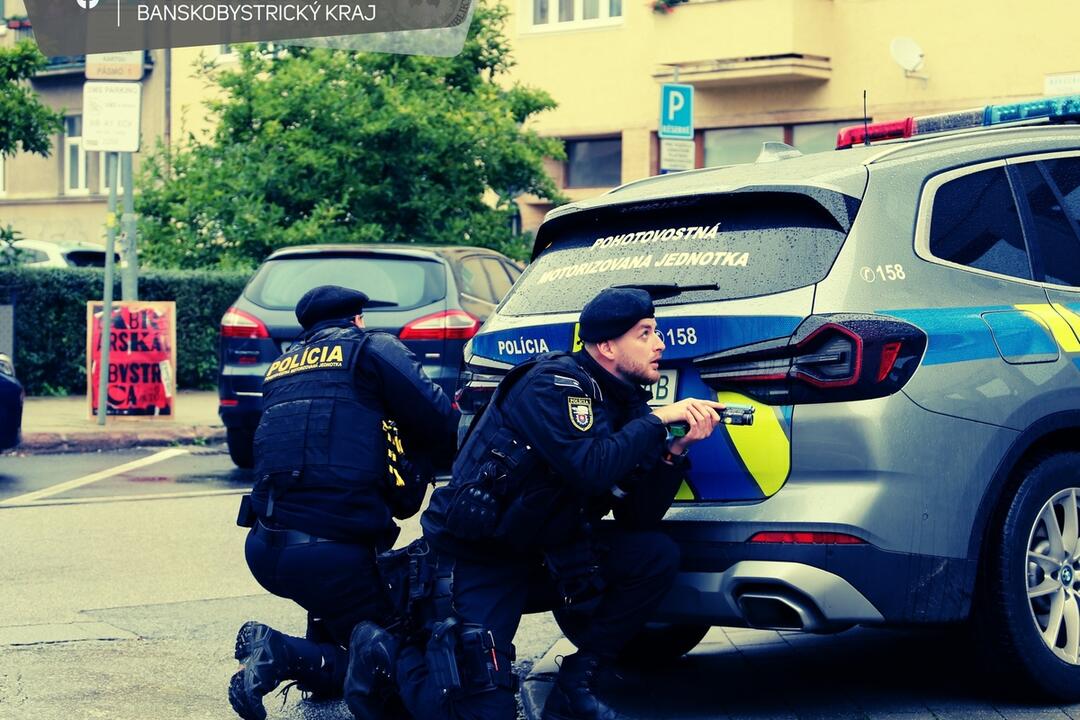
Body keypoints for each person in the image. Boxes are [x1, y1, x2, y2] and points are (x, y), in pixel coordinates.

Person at [346, 286, 724, 720]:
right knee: (479, 712)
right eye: (645, 334)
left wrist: (674, 452)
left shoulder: (628, 405)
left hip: (548, 548)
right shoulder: (554, 384)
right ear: (605, 346)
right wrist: (660, 420)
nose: (660, 345)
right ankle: (385, 654)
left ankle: (577, 683)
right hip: (481, 556)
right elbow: (590, 468)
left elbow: (636, 514)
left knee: (652, 555)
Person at [228, 285, 459, 720]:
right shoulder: (370, 347)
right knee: (396, 661)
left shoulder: (281, 367)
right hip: (332, 553)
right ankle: (276, 647)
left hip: (265, 547)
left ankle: (282, 654)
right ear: (357, 319)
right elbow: (441, 419)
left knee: (344, 647)